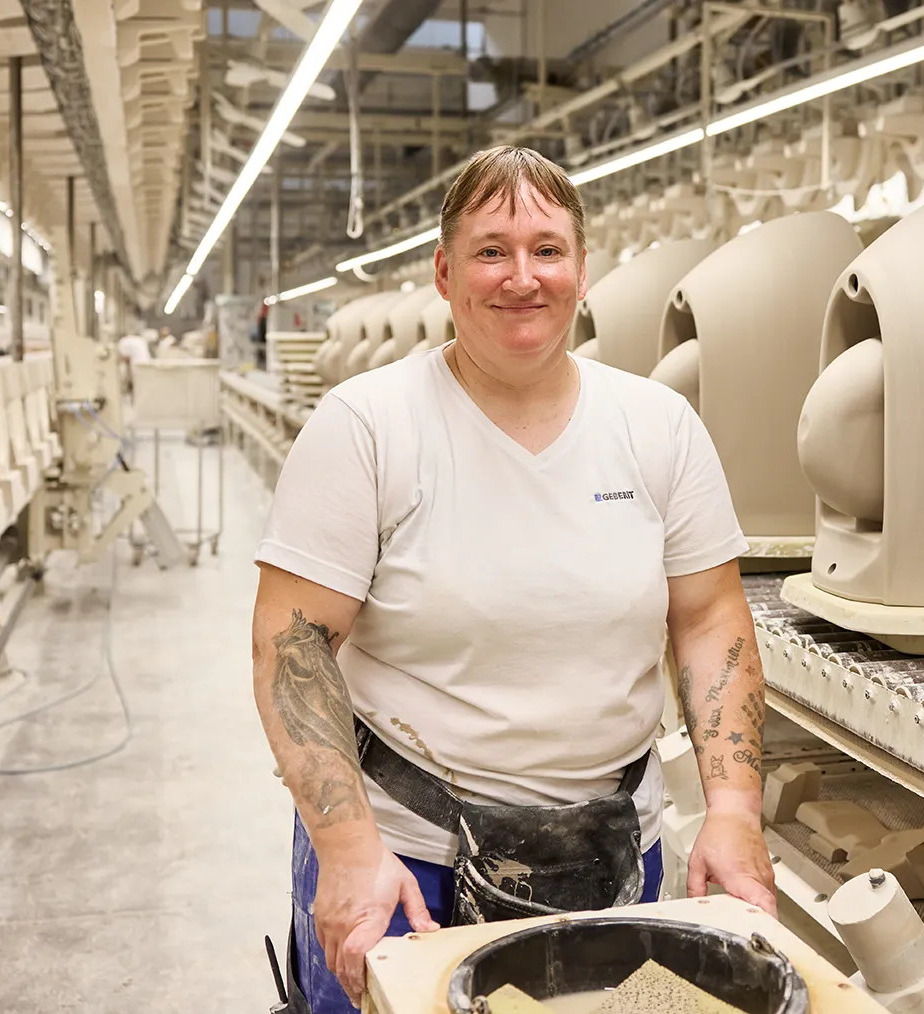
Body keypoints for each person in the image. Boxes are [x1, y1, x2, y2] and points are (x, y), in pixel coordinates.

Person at [251, 146, 775, 1013]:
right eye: (492, 250)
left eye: (547, 249)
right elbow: (291, 644)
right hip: (405, 862)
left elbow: (711, 617)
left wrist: (734, 808)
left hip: (614, 848)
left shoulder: (657, 428)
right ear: (445, 271)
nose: (521, 277)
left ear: (581, 269)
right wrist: (344, 847)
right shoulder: (369, 427)